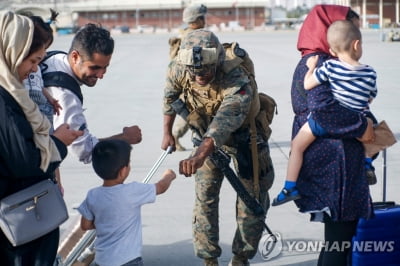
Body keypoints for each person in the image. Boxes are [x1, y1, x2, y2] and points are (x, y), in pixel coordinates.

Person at [161, 29, 274, 266]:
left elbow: (224, 121)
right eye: (194, 73)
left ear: (218, 61)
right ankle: (208, 259)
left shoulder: (236, 78)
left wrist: (200, 154)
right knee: (205, 198)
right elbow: (170, 96)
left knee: (252, 199)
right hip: (204, 137)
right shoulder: (180, 66)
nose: (199, 77)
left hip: (244, 139)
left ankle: (241, 258)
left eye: (206, 72)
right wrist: (167, 133)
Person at [288, 5, 375, 266]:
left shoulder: (320, 61)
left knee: (338, 238)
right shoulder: (321, 64)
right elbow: (325, 110)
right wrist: (364, 128)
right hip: (334, 163)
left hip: (335, 160)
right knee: (339, 238)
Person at [0, 11, 82, 265]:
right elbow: (25, 162)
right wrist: (58, 142)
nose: (35, 69)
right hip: (18, 224)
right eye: (32, 61)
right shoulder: (4, 100)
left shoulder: (12, 91)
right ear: (12, 53)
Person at [272, 19, 378, 206]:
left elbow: (307, 85)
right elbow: (370, 97)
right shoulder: (370, 72)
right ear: (357, 44)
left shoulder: (329, 66)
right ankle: (368, 163)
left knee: (297, 145)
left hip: (324, 123)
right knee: (372, 128)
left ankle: (289, 186)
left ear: (331, 51)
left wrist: (311, 68)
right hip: (359, 118)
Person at [42, 23, 142, 164]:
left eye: (105, 67)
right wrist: (124, 138)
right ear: (75, 57)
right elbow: (84, 151)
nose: (101, 75)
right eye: (94, 68)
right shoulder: (65, 96)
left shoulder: (55, 58)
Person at [77, 139, 176, 266]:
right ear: (123, 171)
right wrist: (169, 175)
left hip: (102, 260)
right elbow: (161, 187)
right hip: (129, 260)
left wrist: (106, 222)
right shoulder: (132, 191)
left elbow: (85, 225)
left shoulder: (93, 195)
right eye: (128, 164)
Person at [23, 9, 66, 194]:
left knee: (50, 141)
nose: (39, 62)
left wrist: (51, 99)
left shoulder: (35, 67)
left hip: (43, 105)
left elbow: (39, 86)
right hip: (31, 106)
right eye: (35, 57)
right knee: (46, 143)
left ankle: (56, 180)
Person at [169, 3, 208, 151]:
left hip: (190, 81)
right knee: (191, 114)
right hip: (190, 82)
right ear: (196, 21)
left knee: (192, 113)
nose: (204, 21)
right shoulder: (191, 38)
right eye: (202, 18)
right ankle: (175, 137)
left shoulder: (186, 34)